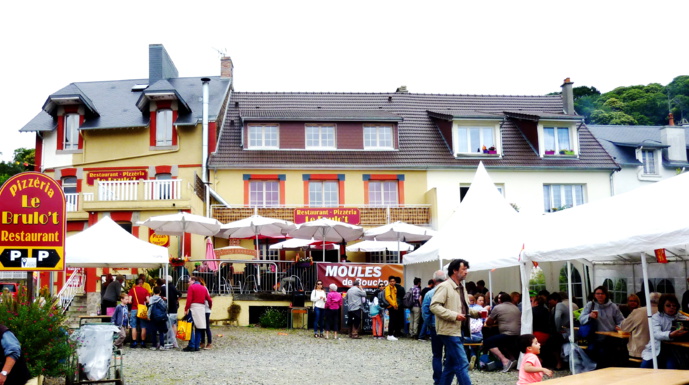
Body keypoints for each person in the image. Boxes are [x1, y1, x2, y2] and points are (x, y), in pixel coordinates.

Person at [430, 259, 481, 385]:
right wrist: (454, 316)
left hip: (459, 330)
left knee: (451, 365)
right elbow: (434, 306)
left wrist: (478, 313)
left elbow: (464, 309)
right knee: (462, 363)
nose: (466, 272)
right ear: (454, 270)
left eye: (466, 269)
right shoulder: (444, 286)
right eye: (463, 269)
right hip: (449, 331)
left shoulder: (462, 288)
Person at [579, 285, 625, 368]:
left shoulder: (613, 306)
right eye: (598, 293)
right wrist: (589, 316)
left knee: (607, 357)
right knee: (595, 356)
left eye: (602, 293)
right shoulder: (590, 305)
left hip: (610, 337)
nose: (600, 295)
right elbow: (581, 319)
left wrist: (619, 326)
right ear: (594, 295)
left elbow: (621, 320)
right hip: (594, 336)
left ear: (606, 295)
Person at [640, 293, 689, 368]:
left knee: (672, 369)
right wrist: (670, 335)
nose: (672, 308)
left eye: (674, 305)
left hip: (673, 351)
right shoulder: (656, 317)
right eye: (668, 305)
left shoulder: (680, 316)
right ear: (662, 306)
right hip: (656, 349)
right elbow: (656, 334)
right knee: (644, 368)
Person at [484, 292, 521, 372]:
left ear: (500, 300)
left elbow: (488, 323)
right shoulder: (515, 307)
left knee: (487, 341)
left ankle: (505, 360)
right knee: (499, 342)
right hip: (518, 333)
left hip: (507, 334)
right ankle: (512, 359)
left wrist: (495, 320)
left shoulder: (498, 307)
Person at [422, 270, 448, 385]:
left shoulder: (429, 294)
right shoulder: (449, 292)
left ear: (433, 281)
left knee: (437, 355)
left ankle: (438, 381)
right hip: (449, 326)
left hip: (434, 326)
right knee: (449, 354)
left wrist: (429, 324)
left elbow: (425, 312)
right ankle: (447, 379)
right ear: (446, 280)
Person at [620, 292, 660, 360]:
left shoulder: (638, 311)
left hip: (639, 351)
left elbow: (624, 327)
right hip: (659, 351)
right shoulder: (663, 312)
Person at [183, 276, 212, 352]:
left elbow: (189, 299)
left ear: (193, 280)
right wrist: (210, 306)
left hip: (193, 307)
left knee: (190, 326)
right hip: (201, 308)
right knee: (199, 327)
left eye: (189, 281)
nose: (188, 283)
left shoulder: (192, 288)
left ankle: (191, 345)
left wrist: (186, 308)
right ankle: (196, 345)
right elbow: (209, 299)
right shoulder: (203, 288)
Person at [128, 277, 150, 348]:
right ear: (141, 283)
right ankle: (143, 342)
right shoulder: (145, 290)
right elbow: (148, 301)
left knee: (133, 326)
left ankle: (134, 342)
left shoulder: (132, 290)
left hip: (134, 309)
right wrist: (144, 302)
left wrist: (133, 302)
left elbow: (129, 301)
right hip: (142, 310)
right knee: (143, 326)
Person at [161, 275, 181, 349]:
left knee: (168, 324)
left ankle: (168, 339)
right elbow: (179, 294)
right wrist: (176, 300)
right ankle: (173, 339)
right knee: (174, 324)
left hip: (168, 308)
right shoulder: (174, 287)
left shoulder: (164, 288)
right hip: (174, 308)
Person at [147, 286, 169, 350]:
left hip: (153, 317)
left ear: (153, 291)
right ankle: (162, 345)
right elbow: (165, 307)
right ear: (160, 292)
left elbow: (150, 308)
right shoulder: (161, 299)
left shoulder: (151, 299)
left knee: (153, 332)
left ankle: (154, 345)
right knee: (161, 332)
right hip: (161, 318)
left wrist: (148, 316)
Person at [197, 277, 213, 350]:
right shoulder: (203, 288)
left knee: (206, 326)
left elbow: (208, 299)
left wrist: (209, 306)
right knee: (202, 326)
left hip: (205, 309)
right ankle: (202, 342)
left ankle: (209, 343)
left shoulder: (203, 288)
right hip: (202, 309)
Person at [385, 276, 400, 340]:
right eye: (391, 281)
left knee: (394, 320)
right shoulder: (388, 288)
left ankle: (391, 334)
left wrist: (396, 305)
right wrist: (393, 304)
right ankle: (390, 334)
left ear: (395, 282)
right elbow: (387, 297)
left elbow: (395, 298)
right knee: (391, 320)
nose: (392, 282)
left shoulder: (394, 288)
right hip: (390, 306)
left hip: (394, 305)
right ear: (389, 282)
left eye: (393, 281)